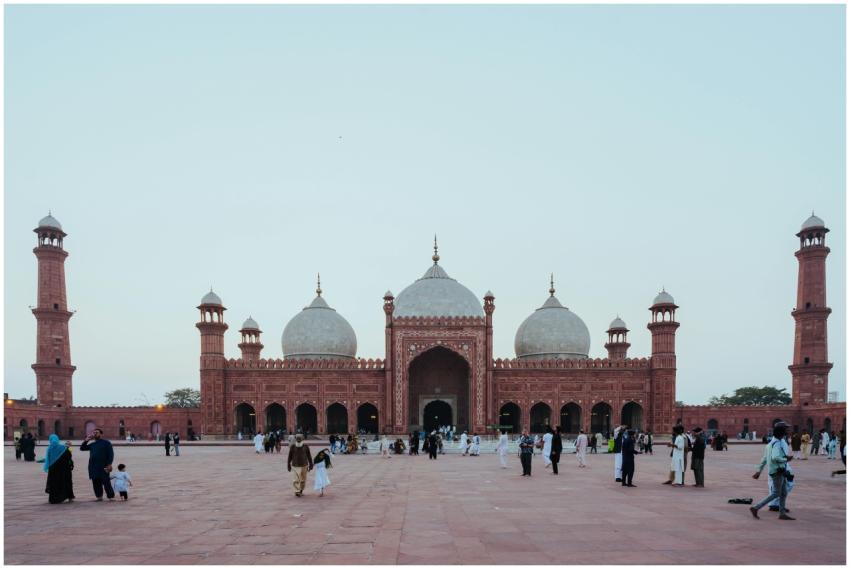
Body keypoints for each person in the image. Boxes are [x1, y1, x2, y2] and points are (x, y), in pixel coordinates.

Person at [751, 423, 794, 520]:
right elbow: (775, 457)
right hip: (778, 471)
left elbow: (764, 459)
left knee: (783, 493)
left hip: (778, 470)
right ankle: (756, 507)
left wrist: (759, 471)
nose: (786, 432)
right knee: (776, 493)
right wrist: (786, 459)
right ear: (781, 433)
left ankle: (782, 513)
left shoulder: (770, 444)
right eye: (785, 430)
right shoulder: (778, 443)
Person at [79, 428, 115, 501]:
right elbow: (82, 448)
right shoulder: (93, 444)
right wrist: (86, 440)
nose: (95, 434)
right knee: (96, 482)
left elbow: (111, 454)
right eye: (94, 432)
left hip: (103, 466)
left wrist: (109, 464)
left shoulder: (106, 443)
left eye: (97, 432)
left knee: (106, 482)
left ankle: (110, 496)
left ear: (101, 434)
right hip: (93, 466)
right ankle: (99, 497)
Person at [44, 434, 75, 504]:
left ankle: (54, 498)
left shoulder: (49, 449)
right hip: (64, 469)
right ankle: (69, 497)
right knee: (66, 482)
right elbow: (69, 456)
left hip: (53, 470)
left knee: (54, 484)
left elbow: (48, 459)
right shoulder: (63, 448)